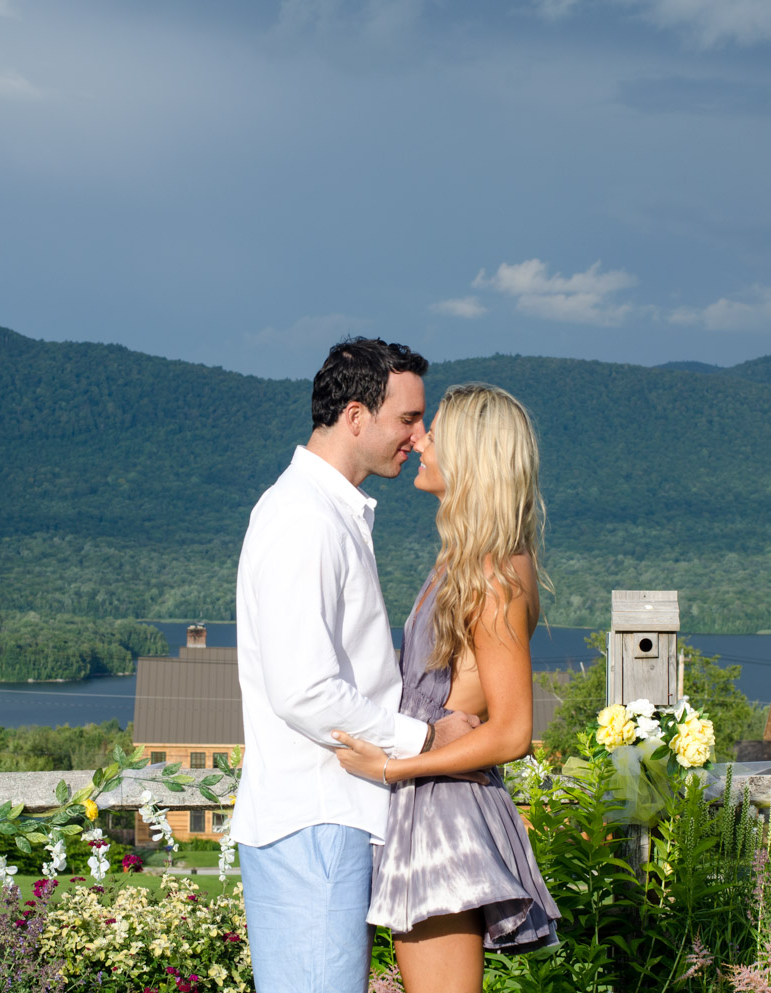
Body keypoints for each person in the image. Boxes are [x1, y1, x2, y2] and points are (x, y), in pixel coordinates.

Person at [230, 338, 480, 993]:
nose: (419, 435)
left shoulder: (326, 514)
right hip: (315, 819)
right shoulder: (303, 521)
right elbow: (304, 690)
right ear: (356, 417)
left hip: (333, 817)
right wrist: (424, 738)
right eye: (407, 419)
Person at [333, 382, 561, 993]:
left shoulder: (493, 574)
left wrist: (389, 769)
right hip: (429, 796)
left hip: (443, 810)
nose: (418, 441)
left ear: (471, 455)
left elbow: (512, 732)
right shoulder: (467, 562)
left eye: (433, 433)